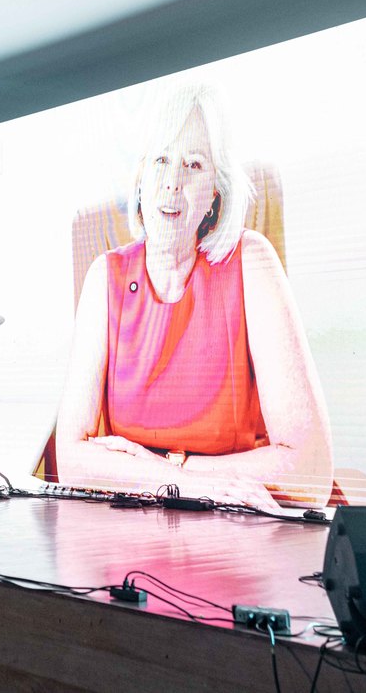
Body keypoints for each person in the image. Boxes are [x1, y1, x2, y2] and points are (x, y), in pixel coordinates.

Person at [55, 86, 333, 508]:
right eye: (161, 160)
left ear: (215, 194)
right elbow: (72, 462)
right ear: (141, 179)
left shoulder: (251, 261)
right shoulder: (104, 276)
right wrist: (183, 482)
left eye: (194, 164)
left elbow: (309, 471)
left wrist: (171, 470)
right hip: (134, 526)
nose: (172, 182)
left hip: (236, 521)